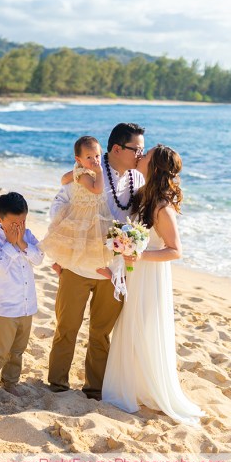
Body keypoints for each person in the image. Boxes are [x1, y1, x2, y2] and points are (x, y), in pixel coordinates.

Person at [102, 145, 205, 424]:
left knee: (145, 328)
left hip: (151, 276)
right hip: (137, 273)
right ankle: (131, 385)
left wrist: (138, 253)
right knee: (130, 326)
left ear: (155, 166)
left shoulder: (161, 206)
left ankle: (148, 389)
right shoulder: (142, 196)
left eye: (145, 155)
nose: (141, 155)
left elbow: (175, 250)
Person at [47, 122, 145, 400]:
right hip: (77, 265)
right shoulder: (86, 171)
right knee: (66, 328)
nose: (140, 154)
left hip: (113, 271)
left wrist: (132, 245)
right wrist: (63, 251)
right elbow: (58, 206)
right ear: (117, 148)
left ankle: (94, 389)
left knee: (101, 334)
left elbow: (139, 221)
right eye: (137, 149)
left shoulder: (138, 180)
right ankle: (56, 385)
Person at [0, 192, 44, 399]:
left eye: (23, 221)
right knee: (0, 349)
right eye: (14, 222)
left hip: (26, 304)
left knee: (18, 349)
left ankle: (10, 381)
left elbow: (39, 258)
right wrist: (11, 244)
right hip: (6, 304)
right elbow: (0, 268)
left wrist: (22, 243)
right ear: (0, 219)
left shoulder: (28, 235)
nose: (19, 227)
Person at [40, 136, 114, 280]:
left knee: (82, 242)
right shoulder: (84, 174)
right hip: (85, 213)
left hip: (91, 209)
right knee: (87, 240)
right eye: (89, 157)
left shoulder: (81, 171)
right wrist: (99, 173)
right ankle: (98, 266)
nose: (95, 160)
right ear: (78, 159)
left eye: (97, 156)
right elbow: (97, 189)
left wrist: (74, 175)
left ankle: (59, 264)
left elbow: (63, 179)